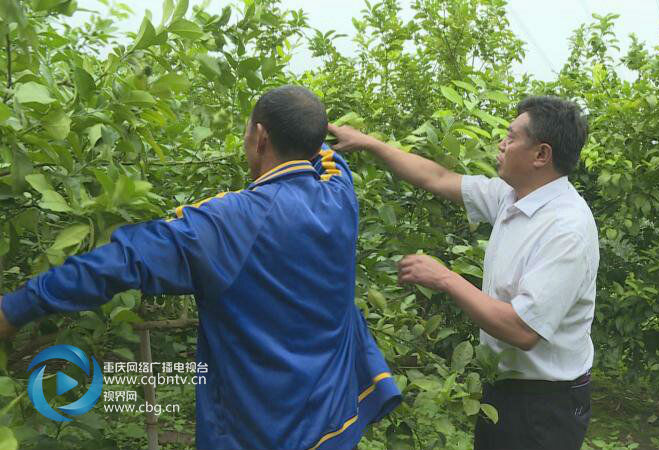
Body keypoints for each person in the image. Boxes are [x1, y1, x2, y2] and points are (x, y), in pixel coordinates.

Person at [0, 85, 401, 450]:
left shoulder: (229, 222)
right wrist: (341, 136)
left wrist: (16, 307)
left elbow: (121, 261)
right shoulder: (339, 196)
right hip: (334, 423)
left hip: (261, 435)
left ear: (259, 137)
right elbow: (326, 157)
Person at [327, 95, 598, 450]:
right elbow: (437, 177)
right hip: (503, 389)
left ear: (541, 155)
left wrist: (444, 278)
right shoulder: (512, 196)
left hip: (544, 403)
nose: (501, 144)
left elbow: (523, 329)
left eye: (511, 137)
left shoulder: (566, 228)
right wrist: (369, 143)